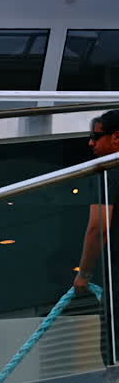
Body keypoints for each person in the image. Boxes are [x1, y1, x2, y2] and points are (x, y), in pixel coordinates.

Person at [74, 109, 119, 365]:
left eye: (95, 136)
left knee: (113, 357)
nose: (90, 142)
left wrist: (84, 274)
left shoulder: (107, 172)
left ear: (117, 137)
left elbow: (98, 227)